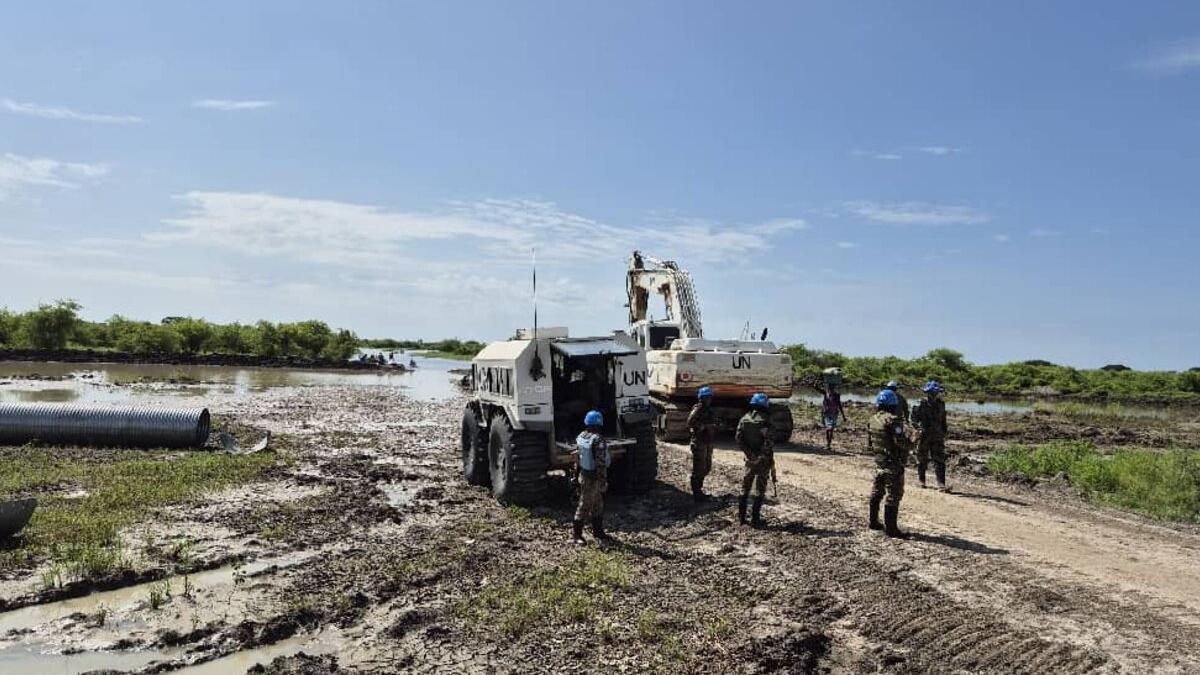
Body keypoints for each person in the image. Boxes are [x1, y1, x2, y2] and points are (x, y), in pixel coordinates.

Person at [868, 389, 913, 537]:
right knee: (894, 495)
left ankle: (873, 521)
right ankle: (892, 529)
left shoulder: (873, 419)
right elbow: (902, 443)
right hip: (892, 463)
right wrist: (913, 439)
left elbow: (870, 443)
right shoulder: (892, 420)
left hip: (879, 461)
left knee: (877, 492)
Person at [573, 410, 612, 545]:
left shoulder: (581, 436)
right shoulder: (598, 440)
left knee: (597, 504)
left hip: (584, 474)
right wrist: (603, 481)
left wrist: (575, 474)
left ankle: (598, 531)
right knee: (585, 505)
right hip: (593, 477)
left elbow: (577, 458)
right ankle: (577, 535)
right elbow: (601, 463)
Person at [735, 392, 774, 527]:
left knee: (745, 487)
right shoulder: (765, 420)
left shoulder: (744, 419)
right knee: (760, 489)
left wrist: (750, 454)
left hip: (749, 460)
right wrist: (761, 456)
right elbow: (768, 441)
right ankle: (755, 519)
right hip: (763, 460)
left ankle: (741, 518)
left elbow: (738, 439)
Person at [911, 380, 949, 490]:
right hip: (924, 436)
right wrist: (919, 429)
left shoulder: (941, 404)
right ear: (927, 392)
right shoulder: (919, 404)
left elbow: (943, 420)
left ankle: (941, 483)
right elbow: (913, 420)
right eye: (932, 392)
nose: (934, 394)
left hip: (937, 436)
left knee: (939, 460)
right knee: (922, 458)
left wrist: (944, 432)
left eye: (936, 392)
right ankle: (921, 480)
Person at [687, 386, 718, 502]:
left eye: (710, 397)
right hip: (699, 441)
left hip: (708, 441)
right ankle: (697, 493)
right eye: (707, 397)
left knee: (707, 467)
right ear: (702, 398)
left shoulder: (709, 410)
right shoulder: (698, 408)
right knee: (698, 469)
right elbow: (690, 422)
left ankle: (699, 489)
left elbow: (714, 421)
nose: (709, 399)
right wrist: (703, 426)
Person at [820, 384, 847, 451]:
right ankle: (828, 444)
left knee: (831, 429)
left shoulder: (837, 395)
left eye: (831, 389)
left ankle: (829, 444)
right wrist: (814, 385)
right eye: (829, 388)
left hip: (834, 414)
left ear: (833, 389)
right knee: (827, 429)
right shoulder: (826, 394)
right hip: (827, 413)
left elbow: (839, 405)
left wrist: (843, 416)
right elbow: (819, 390)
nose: (830, 390)